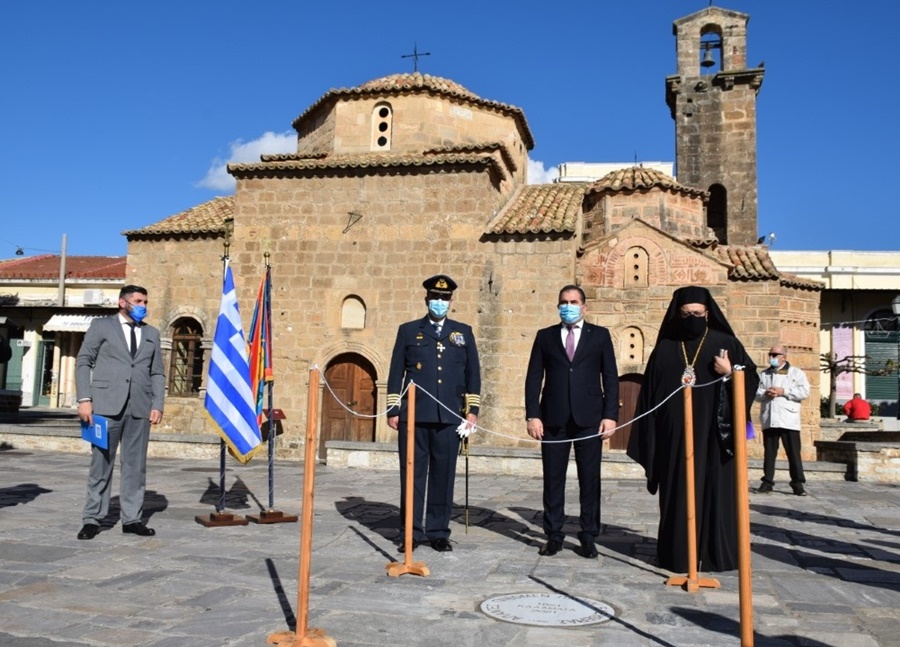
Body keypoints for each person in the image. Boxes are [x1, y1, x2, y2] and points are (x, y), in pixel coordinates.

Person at [627, 286, 758, 573]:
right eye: (686, 314)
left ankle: (716, 555)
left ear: (708, 314)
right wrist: (651, 438)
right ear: (677, 314)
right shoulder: (665, 348)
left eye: (697, 314)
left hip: (715, 437)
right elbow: (649, 395)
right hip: (675, 439)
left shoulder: (726, 344)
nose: (692, 318)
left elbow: (751, 381)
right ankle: (677, 555)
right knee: (677, 494)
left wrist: (731, 374)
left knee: (716, 494)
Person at [387, 275, 480, 553]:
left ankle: (439, 531)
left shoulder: (463, 332)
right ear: (426, 300)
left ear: (451, 301)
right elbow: (395, 373)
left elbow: (472, 375)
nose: (440, 302)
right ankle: (410, 532)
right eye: (435, 298)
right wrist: (394, 409)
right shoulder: (408, 331)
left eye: (444, 298)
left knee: (444, 475)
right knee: (412, 475)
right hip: (414, 417)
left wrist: (472, 411)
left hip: (450, 417)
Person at [525, 285, 619, 559]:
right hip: (553, 419)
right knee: (553, 480)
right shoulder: (545, 336)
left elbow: (610, 378)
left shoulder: (599, 336)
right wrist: (533, 415)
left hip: (589, 418)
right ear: (558, 306)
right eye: (564, 302)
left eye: (574, 301)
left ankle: (588, 535)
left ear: (584, 306)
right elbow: (533, 378)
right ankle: (553, 535)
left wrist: (610, 415)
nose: (568, 306)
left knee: (589, 480)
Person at [75, 285, 165, 540]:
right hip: (104, 407)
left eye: (146, 301)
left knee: (135, 466)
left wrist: (157, 404)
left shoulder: (152, 333)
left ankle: (132, 518)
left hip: (139, 407)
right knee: (101, 464)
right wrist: (84, 399)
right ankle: (93, 519)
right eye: (138, 301)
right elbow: (84, 361)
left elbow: (157, 371)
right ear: (122, 302)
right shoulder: (101, 327)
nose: (143, 306)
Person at [755, 345, 811, 496]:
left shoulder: (796, 373)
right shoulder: (764, 374)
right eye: (770, 354)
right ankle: (767, 482)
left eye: (775, 354)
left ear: (784, 357)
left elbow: (804, 391)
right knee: (769, 453)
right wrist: (766, 393)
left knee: (793, 453)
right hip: (770, 418)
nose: (772, 357)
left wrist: (783, 392)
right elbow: (756, 394)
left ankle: (797, 483)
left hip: (788, 419)